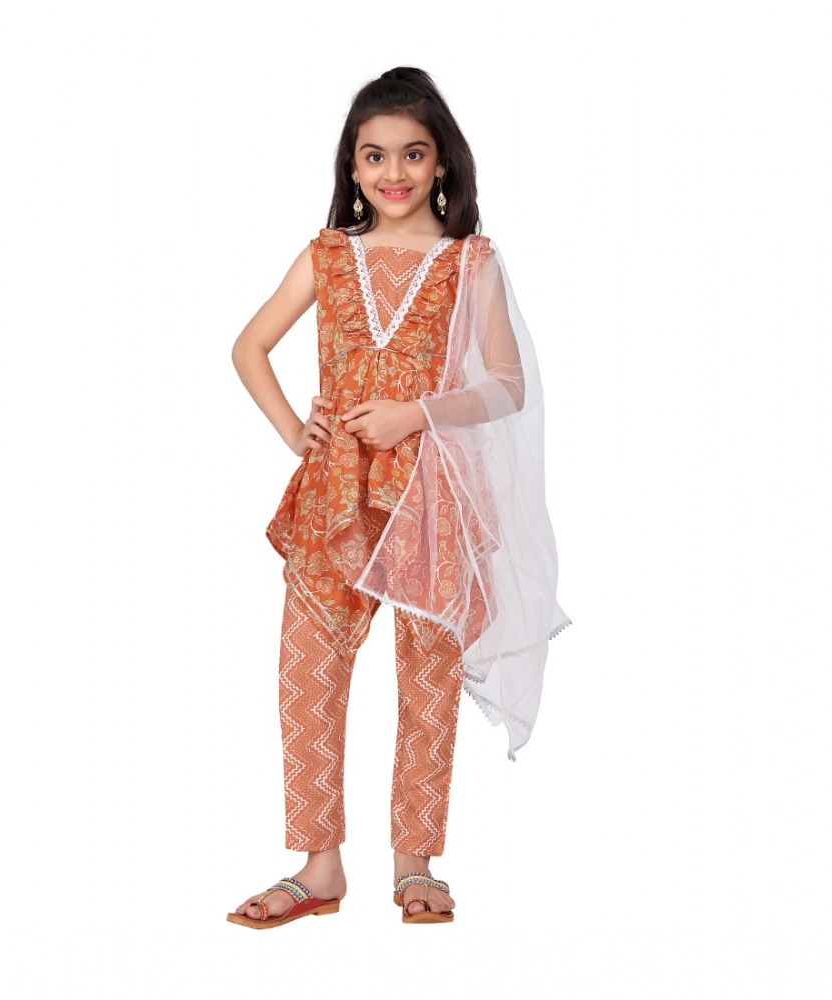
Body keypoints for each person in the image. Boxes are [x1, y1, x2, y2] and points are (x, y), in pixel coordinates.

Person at [227, 67, 571, 929]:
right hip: (334, 494)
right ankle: (318, 866)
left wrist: (416, 413)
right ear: (351, 167)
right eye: (373, 155)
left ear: (442, 161)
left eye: (413, 154)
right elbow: (249, 346)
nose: (394, 172)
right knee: (307, 673)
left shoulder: (469, 263)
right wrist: (293, 430)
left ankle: (416, 864)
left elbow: (508, 385)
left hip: (433, 496)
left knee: (427, 677)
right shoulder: (326, 256)